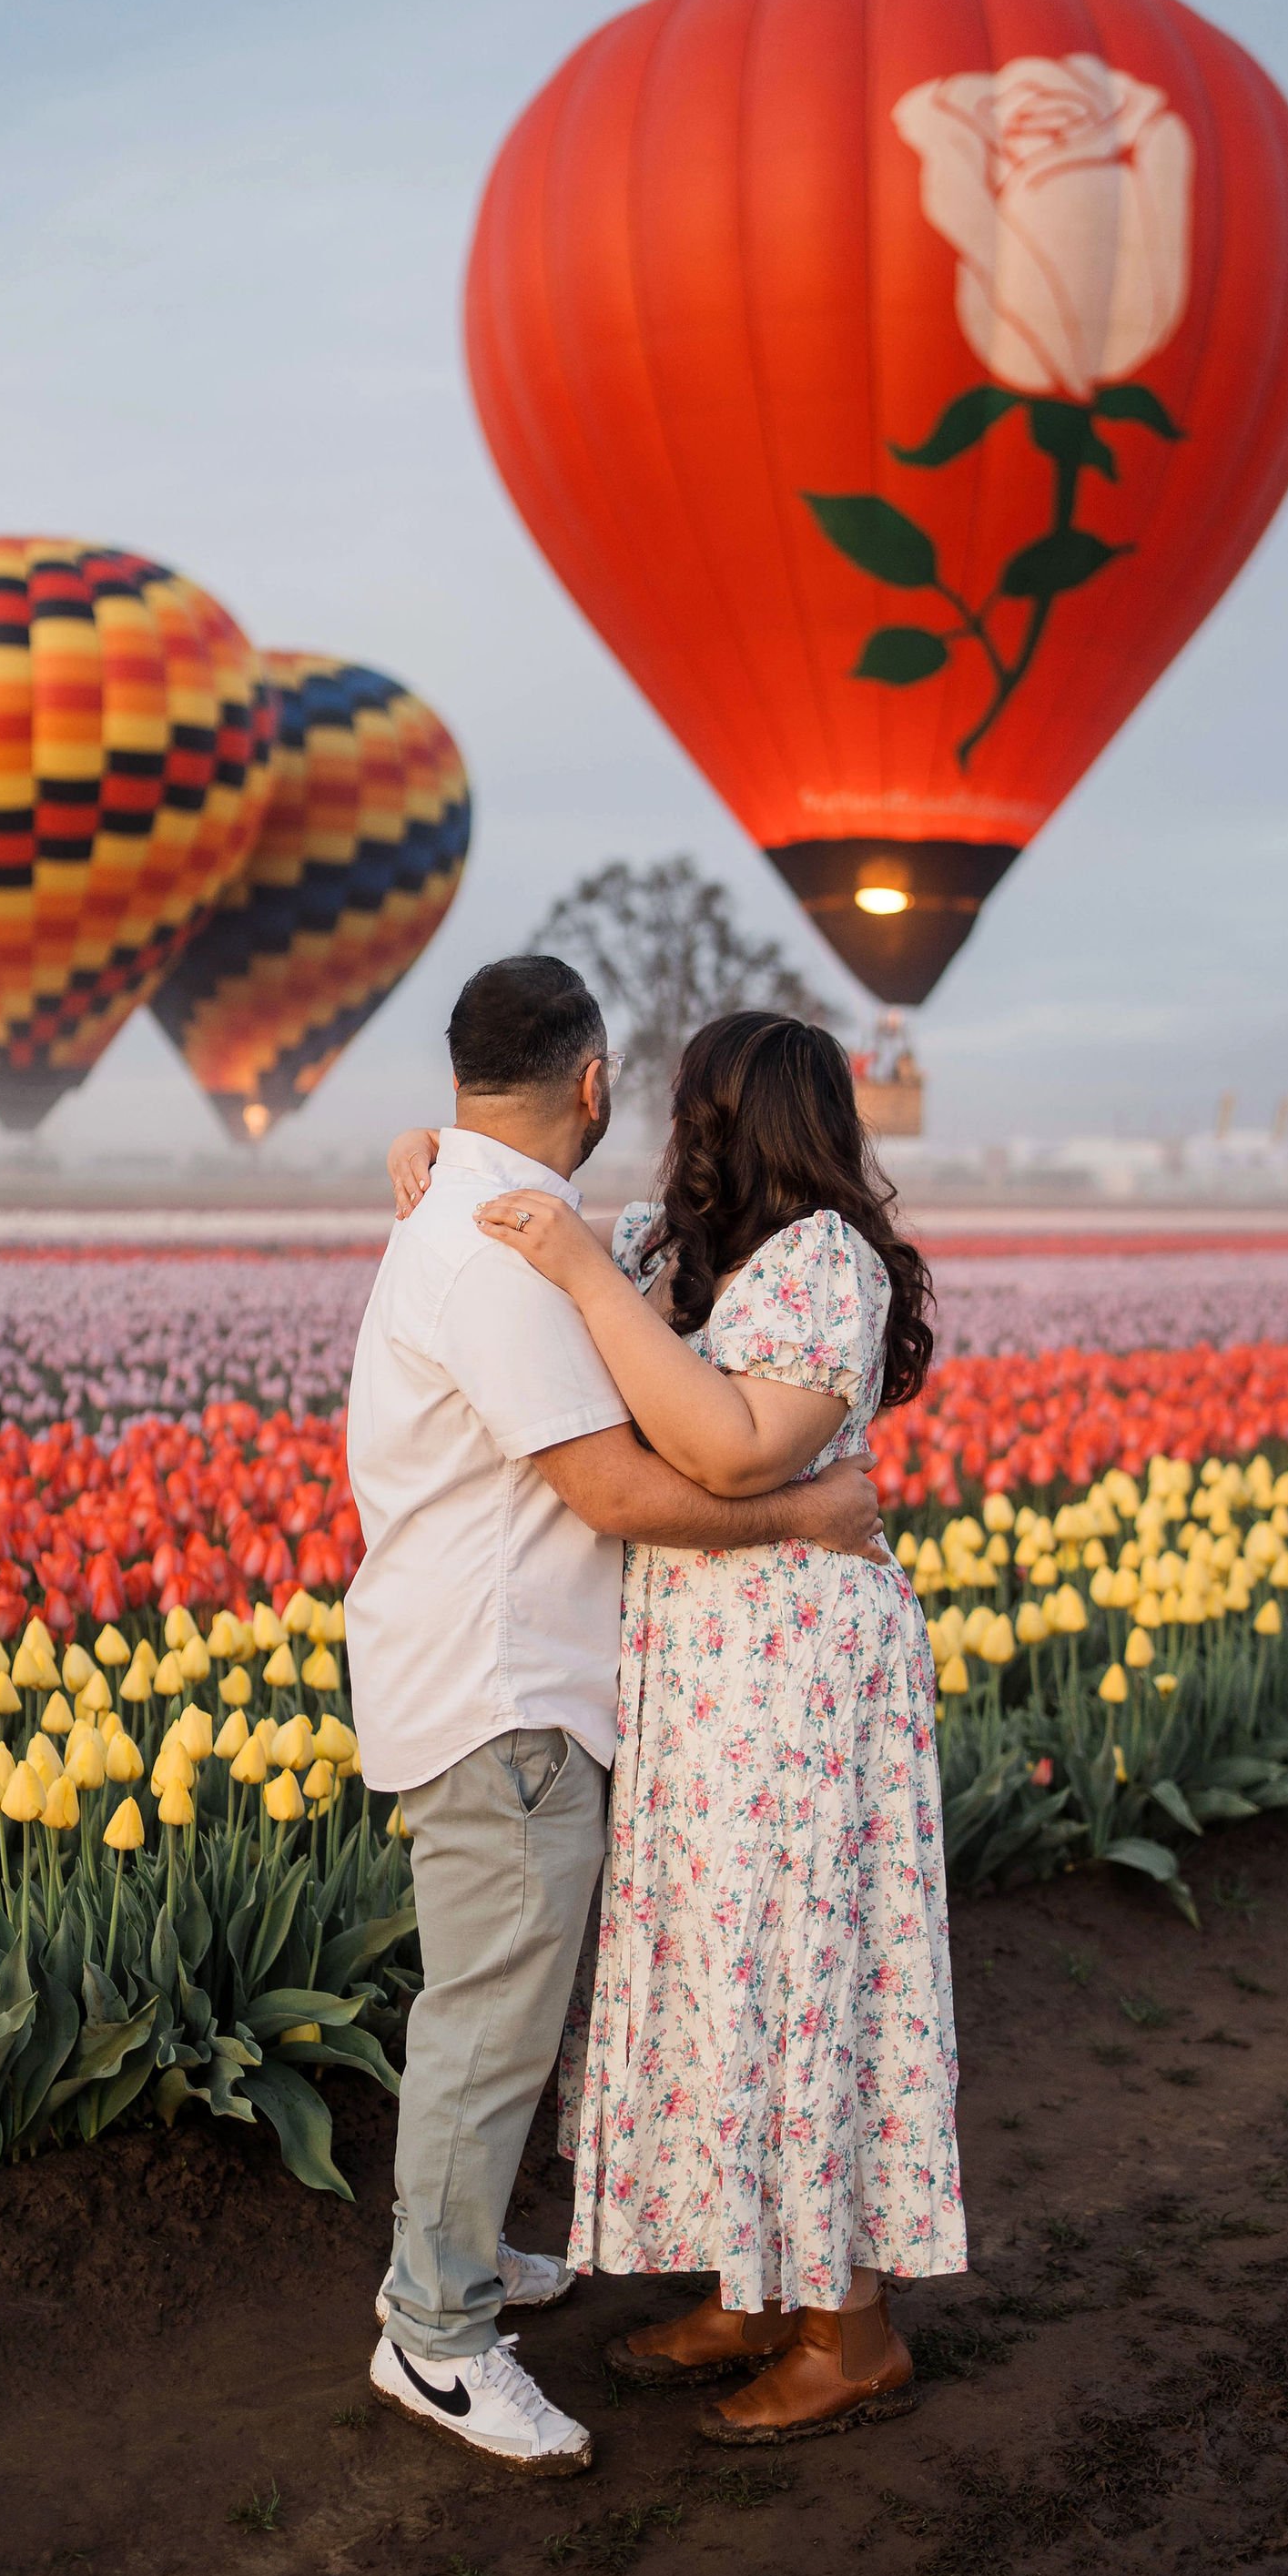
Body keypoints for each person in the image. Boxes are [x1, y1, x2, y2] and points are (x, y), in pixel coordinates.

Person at [346, 958, 889, 2476]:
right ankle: (437, 2336)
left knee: (638, 1995)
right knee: (497, 2016)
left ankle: (506, 2273)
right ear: (589, 1085)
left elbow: (679, 1404)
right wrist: (808, 1514)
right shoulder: (516, 1245)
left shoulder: (529, 1227)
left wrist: (441, 1156)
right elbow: (614, 1485)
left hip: (651, 1689)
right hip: (512, 1684)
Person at [460, 1009, 965, 2446]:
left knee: (810, 1970)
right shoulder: (676, 1255)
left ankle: (852, 2329)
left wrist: (578, 1270)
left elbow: (730, 1446)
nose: (682, 1131)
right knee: (717, 1969)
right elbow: (531, 1236)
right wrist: (428, 1158)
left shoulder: (827, 1266)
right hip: (703, 1682)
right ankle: (753, 2288)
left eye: (703, 1108)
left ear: (754, 1118)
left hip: (808, 1683)